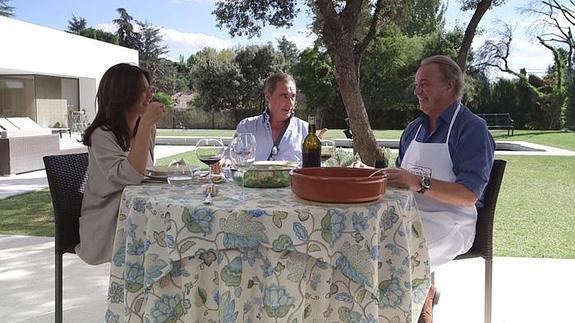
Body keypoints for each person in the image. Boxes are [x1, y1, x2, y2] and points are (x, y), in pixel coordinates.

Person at [386, 55, 495, 269]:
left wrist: (417, 182)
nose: (417, 92)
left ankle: (420, 298)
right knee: (363, 240)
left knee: (393, 251)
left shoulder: (471, 128)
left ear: (449, 86)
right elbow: (401, 181)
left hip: (452, 224)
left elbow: (469, 194)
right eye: (416, 86)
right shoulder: (413, 129)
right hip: (409, 215)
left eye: (424, 85)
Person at [78, 63, 166, 265]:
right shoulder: (101, 135)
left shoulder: (145, 129)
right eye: (142, 90)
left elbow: (147, 171)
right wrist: (146, 124)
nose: (149, 95)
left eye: (149, 89)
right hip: (107, 225)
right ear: (123, 94)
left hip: (137, 215)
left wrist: (145, 126)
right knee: (167, 243)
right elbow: (132, 176)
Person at [228, 73, 308, 164]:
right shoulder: (247, 127)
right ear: (268, 97)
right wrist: (224, 161)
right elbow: (230, 158)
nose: (290, 103)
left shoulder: (305, 130)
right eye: (284, 96)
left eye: (293, 97)